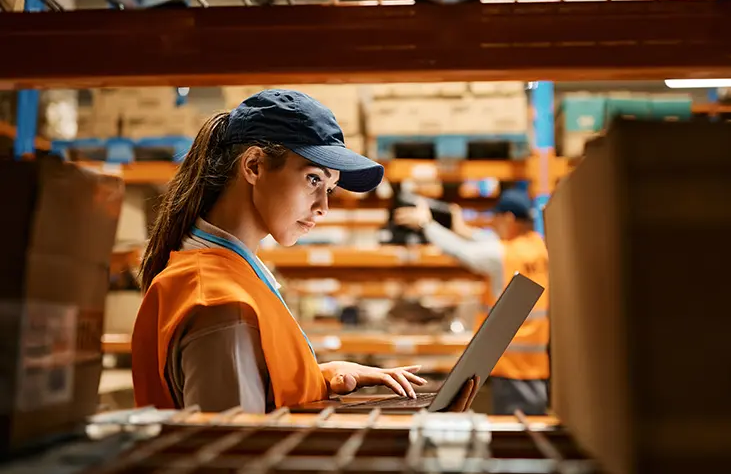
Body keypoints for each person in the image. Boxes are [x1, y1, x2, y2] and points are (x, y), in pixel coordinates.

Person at [131, 89, 479, 413]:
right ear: (254, 166)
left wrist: (321, 378)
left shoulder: (229, 278)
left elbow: (257, 404)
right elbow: (235, 454)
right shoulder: (220, 302)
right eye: (314, 179)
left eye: (331, 188)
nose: (324, 206)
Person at [394, 188, 549, 415]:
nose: (492, 224)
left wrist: (426, 225)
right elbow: (487, 242)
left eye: (495, 219)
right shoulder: (537, 245)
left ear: (508, 218)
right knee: (529, 427)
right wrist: (460, 227)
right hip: (533, 360)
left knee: (514, 435)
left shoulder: (503, 254)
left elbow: (464, 252)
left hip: (511, 361)